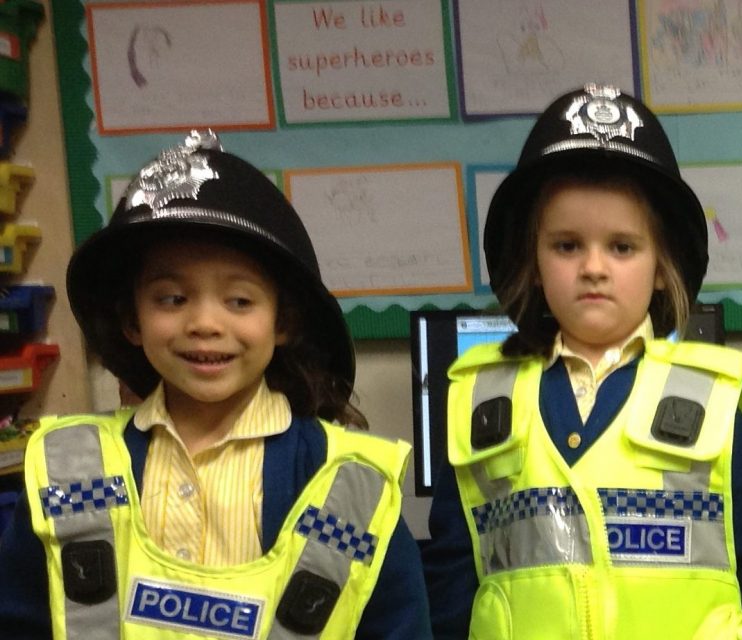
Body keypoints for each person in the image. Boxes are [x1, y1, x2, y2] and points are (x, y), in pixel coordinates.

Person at [0, 131, 431, 638]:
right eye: (172, 299)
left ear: (284, 321)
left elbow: (398, 626)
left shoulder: (349, 486)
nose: (205, 322)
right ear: (132, 321)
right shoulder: (70, 472)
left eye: (239, 301)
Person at [420, 84, 742, 639]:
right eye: (567, 245)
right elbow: (451, 580)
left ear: (661, 264)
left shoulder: (706, 402)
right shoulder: (483, 407)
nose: (594, 267)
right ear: (533, 260)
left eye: (622, 247)